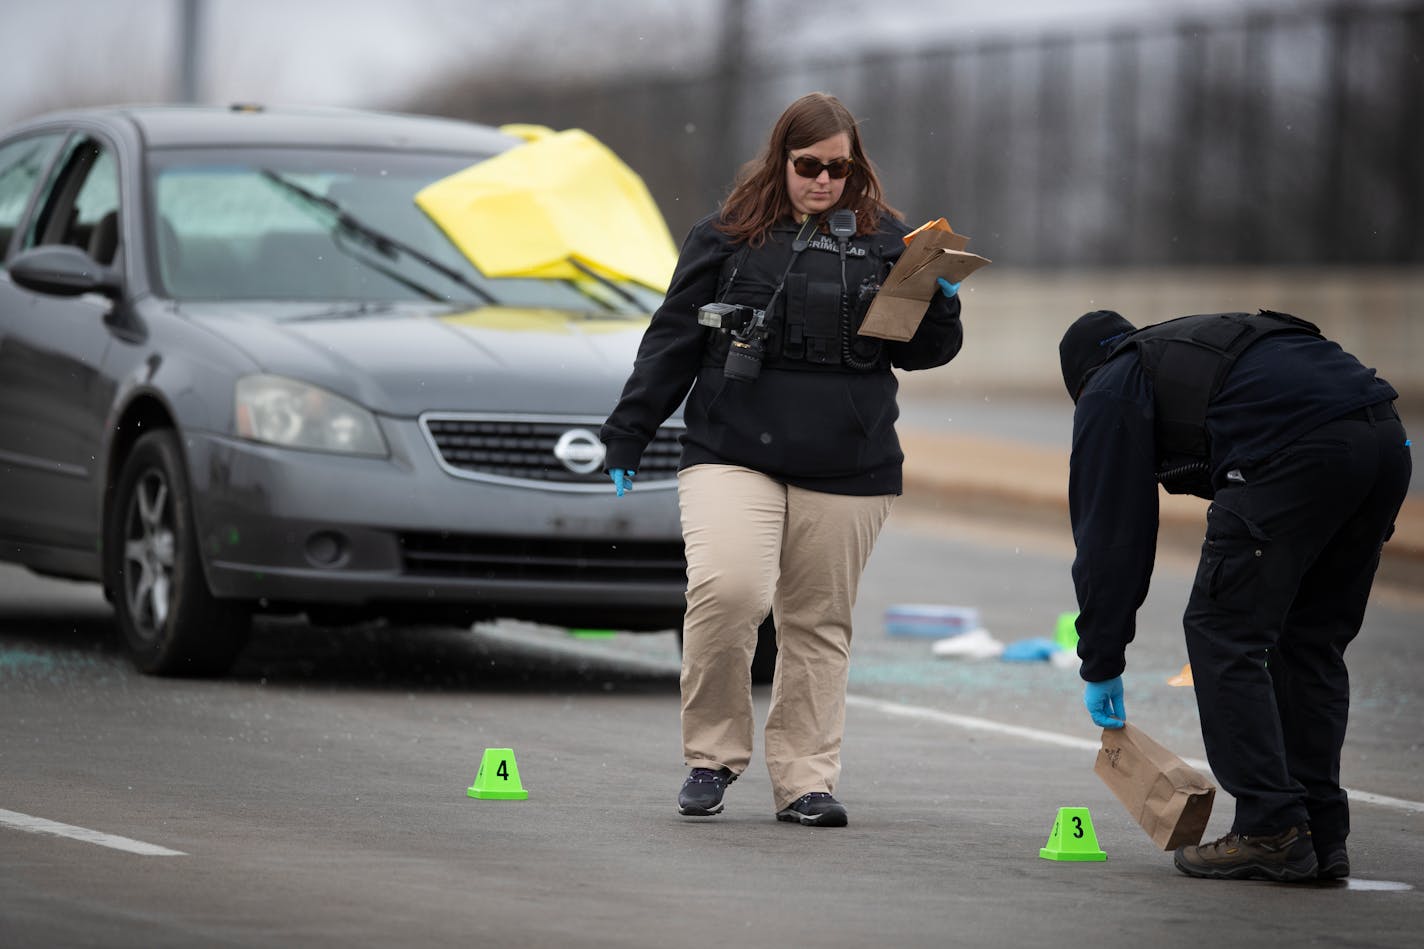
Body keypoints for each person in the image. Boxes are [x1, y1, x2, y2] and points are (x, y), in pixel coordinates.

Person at [600, 92, 964, 827]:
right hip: (732, 449)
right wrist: (628, 431)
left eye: (839, 167)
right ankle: (710, 755)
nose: (824, 181)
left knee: (818, 623)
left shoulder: (893, 242)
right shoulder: (728, 236)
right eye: (809, 166)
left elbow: (924, 353)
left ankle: (805, 780)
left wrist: (943, 300)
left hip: (850, 460)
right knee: (729, 593)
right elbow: (671, 339)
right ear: (782, 161)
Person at [1059, 307, 1411, 881]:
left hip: (1298, 449)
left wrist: (1100, 658)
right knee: (1309, 642)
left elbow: (1112, 538)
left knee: (1224, 630)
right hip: (1384, 441)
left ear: (1081, 377)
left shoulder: (1110, 386)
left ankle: (1271, 828)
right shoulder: (1182, 351)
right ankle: (1320, 834)